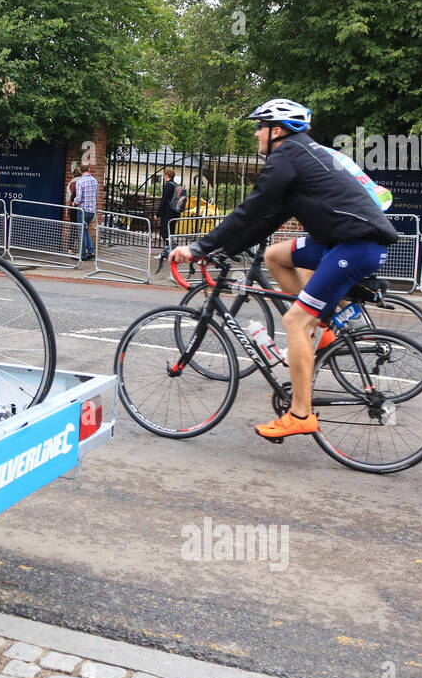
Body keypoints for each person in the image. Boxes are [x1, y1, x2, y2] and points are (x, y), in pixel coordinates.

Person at [170, 98, 398, 442]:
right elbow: (267, 218)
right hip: (343, 240)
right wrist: (225, 248)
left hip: (355, 245)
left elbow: (253, 208)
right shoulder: (298, 155)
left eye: (260, 127)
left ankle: (301, 414)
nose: (257, 134)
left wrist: (200, 247)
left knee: (294, 321)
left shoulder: (287, 155)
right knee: (276, 256)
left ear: (277, 131)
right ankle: (325, 326)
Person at [72, 162, 99, 260]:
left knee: (81, 232)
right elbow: (96, 196)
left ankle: (82, 254)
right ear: (89, 169)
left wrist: (74, 203)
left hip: (83, 210)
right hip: (92, 211)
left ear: (80, 170)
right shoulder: (95, 181)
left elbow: (78, 198)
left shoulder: (80, 182)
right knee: (85, 230)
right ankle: (91, 251)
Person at [155, 168, 179, 264]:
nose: (164, 176)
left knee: (165, 233)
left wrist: (158, 214)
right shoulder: (176, 185)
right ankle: (171, 252)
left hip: (168, 213)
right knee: (170, 233)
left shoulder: (168, 186)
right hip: (175, 213)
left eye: (164, 175)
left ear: (167, 175)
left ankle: (167, 253)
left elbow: (164, 201)